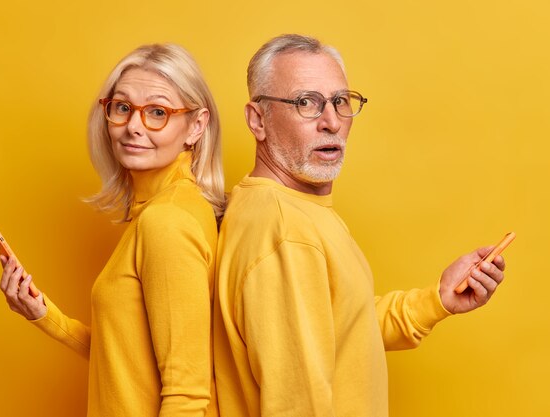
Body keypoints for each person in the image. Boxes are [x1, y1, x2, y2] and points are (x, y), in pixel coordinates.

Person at [213, 34, 506, 417]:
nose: (332, 122)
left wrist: (437, 300)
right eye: (306, 103)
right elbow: (294, 405)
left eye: (339, 101)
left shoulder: (295, 209)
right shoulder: (286, 231)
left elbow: (344, 327)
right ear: (258, 120)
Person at [0, 44, 223, 417]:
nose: (133, 127)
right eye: (122, 108)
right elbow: (130, 358)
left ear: (196, 126)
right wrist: (44, 316)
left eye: (157, 112)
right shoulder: (164, 210)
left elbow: (188, 394)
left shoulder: (166, 222)